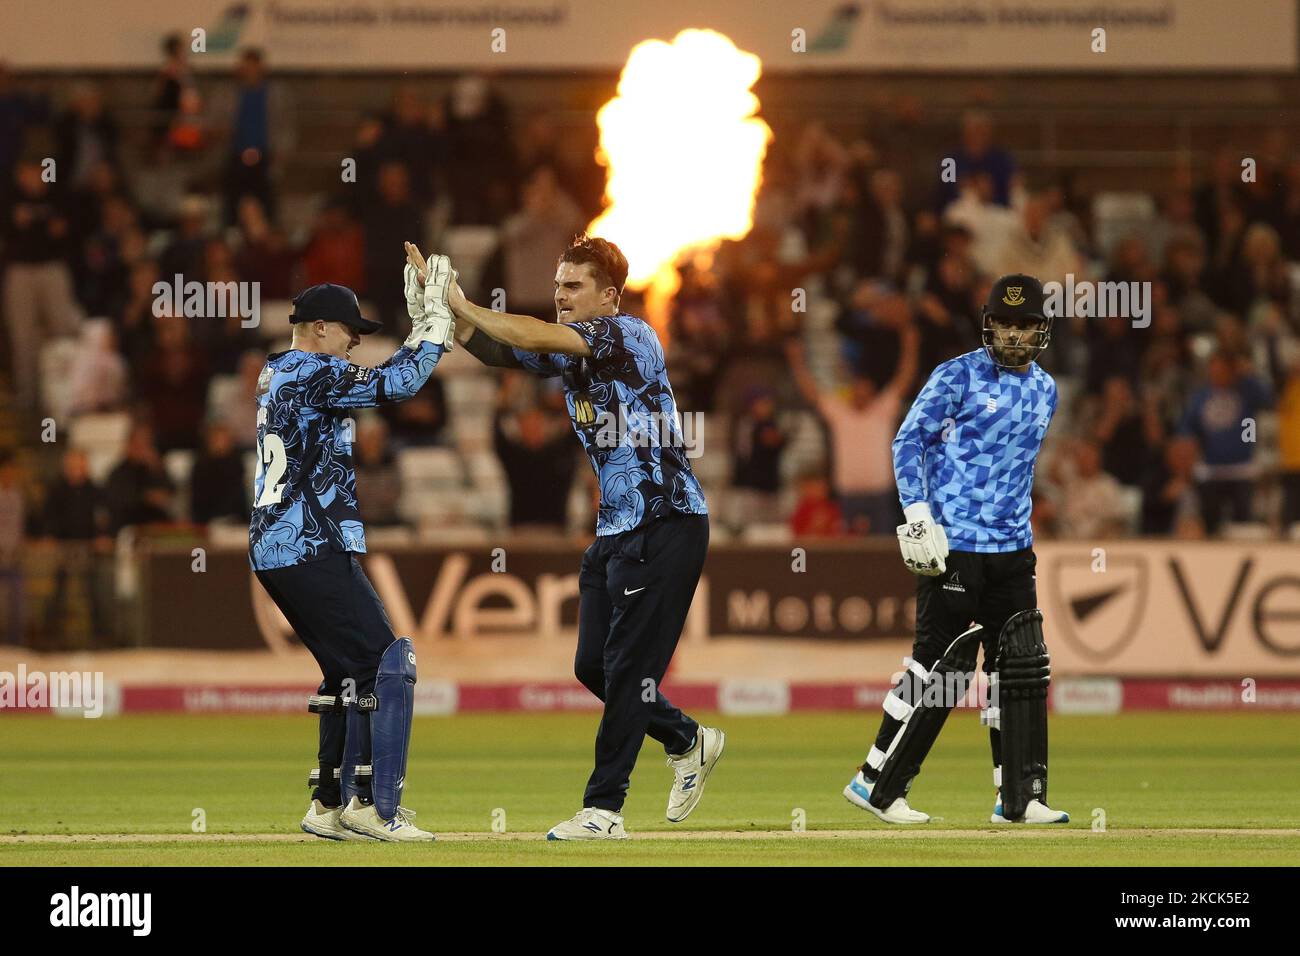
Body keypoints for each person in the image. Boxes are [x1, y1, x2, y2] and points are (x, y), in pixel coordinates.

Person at [411, 234, 721, 840]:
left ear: (609, 296)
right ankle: (687, 738)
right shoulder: (575, 351)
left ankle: (603, 811)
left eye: (572, 287)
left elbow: (528, 333)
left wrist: (463, 301)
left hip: (666, 523)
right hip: (615, 528)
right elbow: (505, 354)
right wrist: (445, 318)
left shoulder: (630, 335)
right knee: (592, 668)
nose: (560, 297)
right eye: (557, 286)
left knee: (628, 671)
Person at [844, 274, 1069, 826]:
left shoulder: (1046, 389)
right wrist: (917, 512)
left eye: (1025, 326)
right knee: (938, 667)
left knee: (1017, 668)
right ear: (989, 325)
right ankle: (875, 780)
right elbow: (907, 440)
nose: (1014, 336)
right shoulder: (957, 375)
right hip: (954, 544)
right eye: (1005, 325)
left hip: (1013, 548)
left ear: (1041, 329)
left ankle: (1017, 798)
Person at [249, 273, 453, 843]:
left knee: (345, 672)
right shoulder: (314, 371)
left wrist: (417, 329)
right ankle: (373, 807)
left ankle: (327, 805)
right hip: (309, 543)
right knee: (389, 663)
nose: (354, 342)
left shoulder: (277, 371)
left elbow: (377, 379)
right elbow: (400, 385)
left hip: (277, 545)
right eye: (349, 331)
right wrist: (433, 327)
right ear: (318, 329)